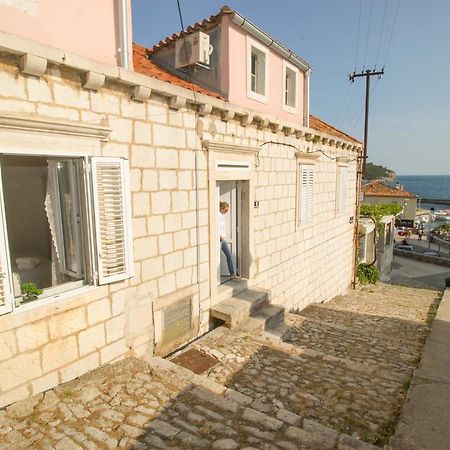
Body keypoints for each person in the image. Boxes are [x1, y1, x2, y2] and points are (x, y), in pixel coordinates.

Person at [219, 201, 238, 280]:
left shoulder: (222, 216)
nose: (226, 212)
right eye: (225, 210)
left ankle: (232, 274)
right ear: (221, 208)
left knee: (229, 255)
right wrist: (219, 236)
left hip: (222, 240)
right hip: (219, 239)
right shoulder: (217, 216)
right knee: (216, 258)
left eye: (227, 210)